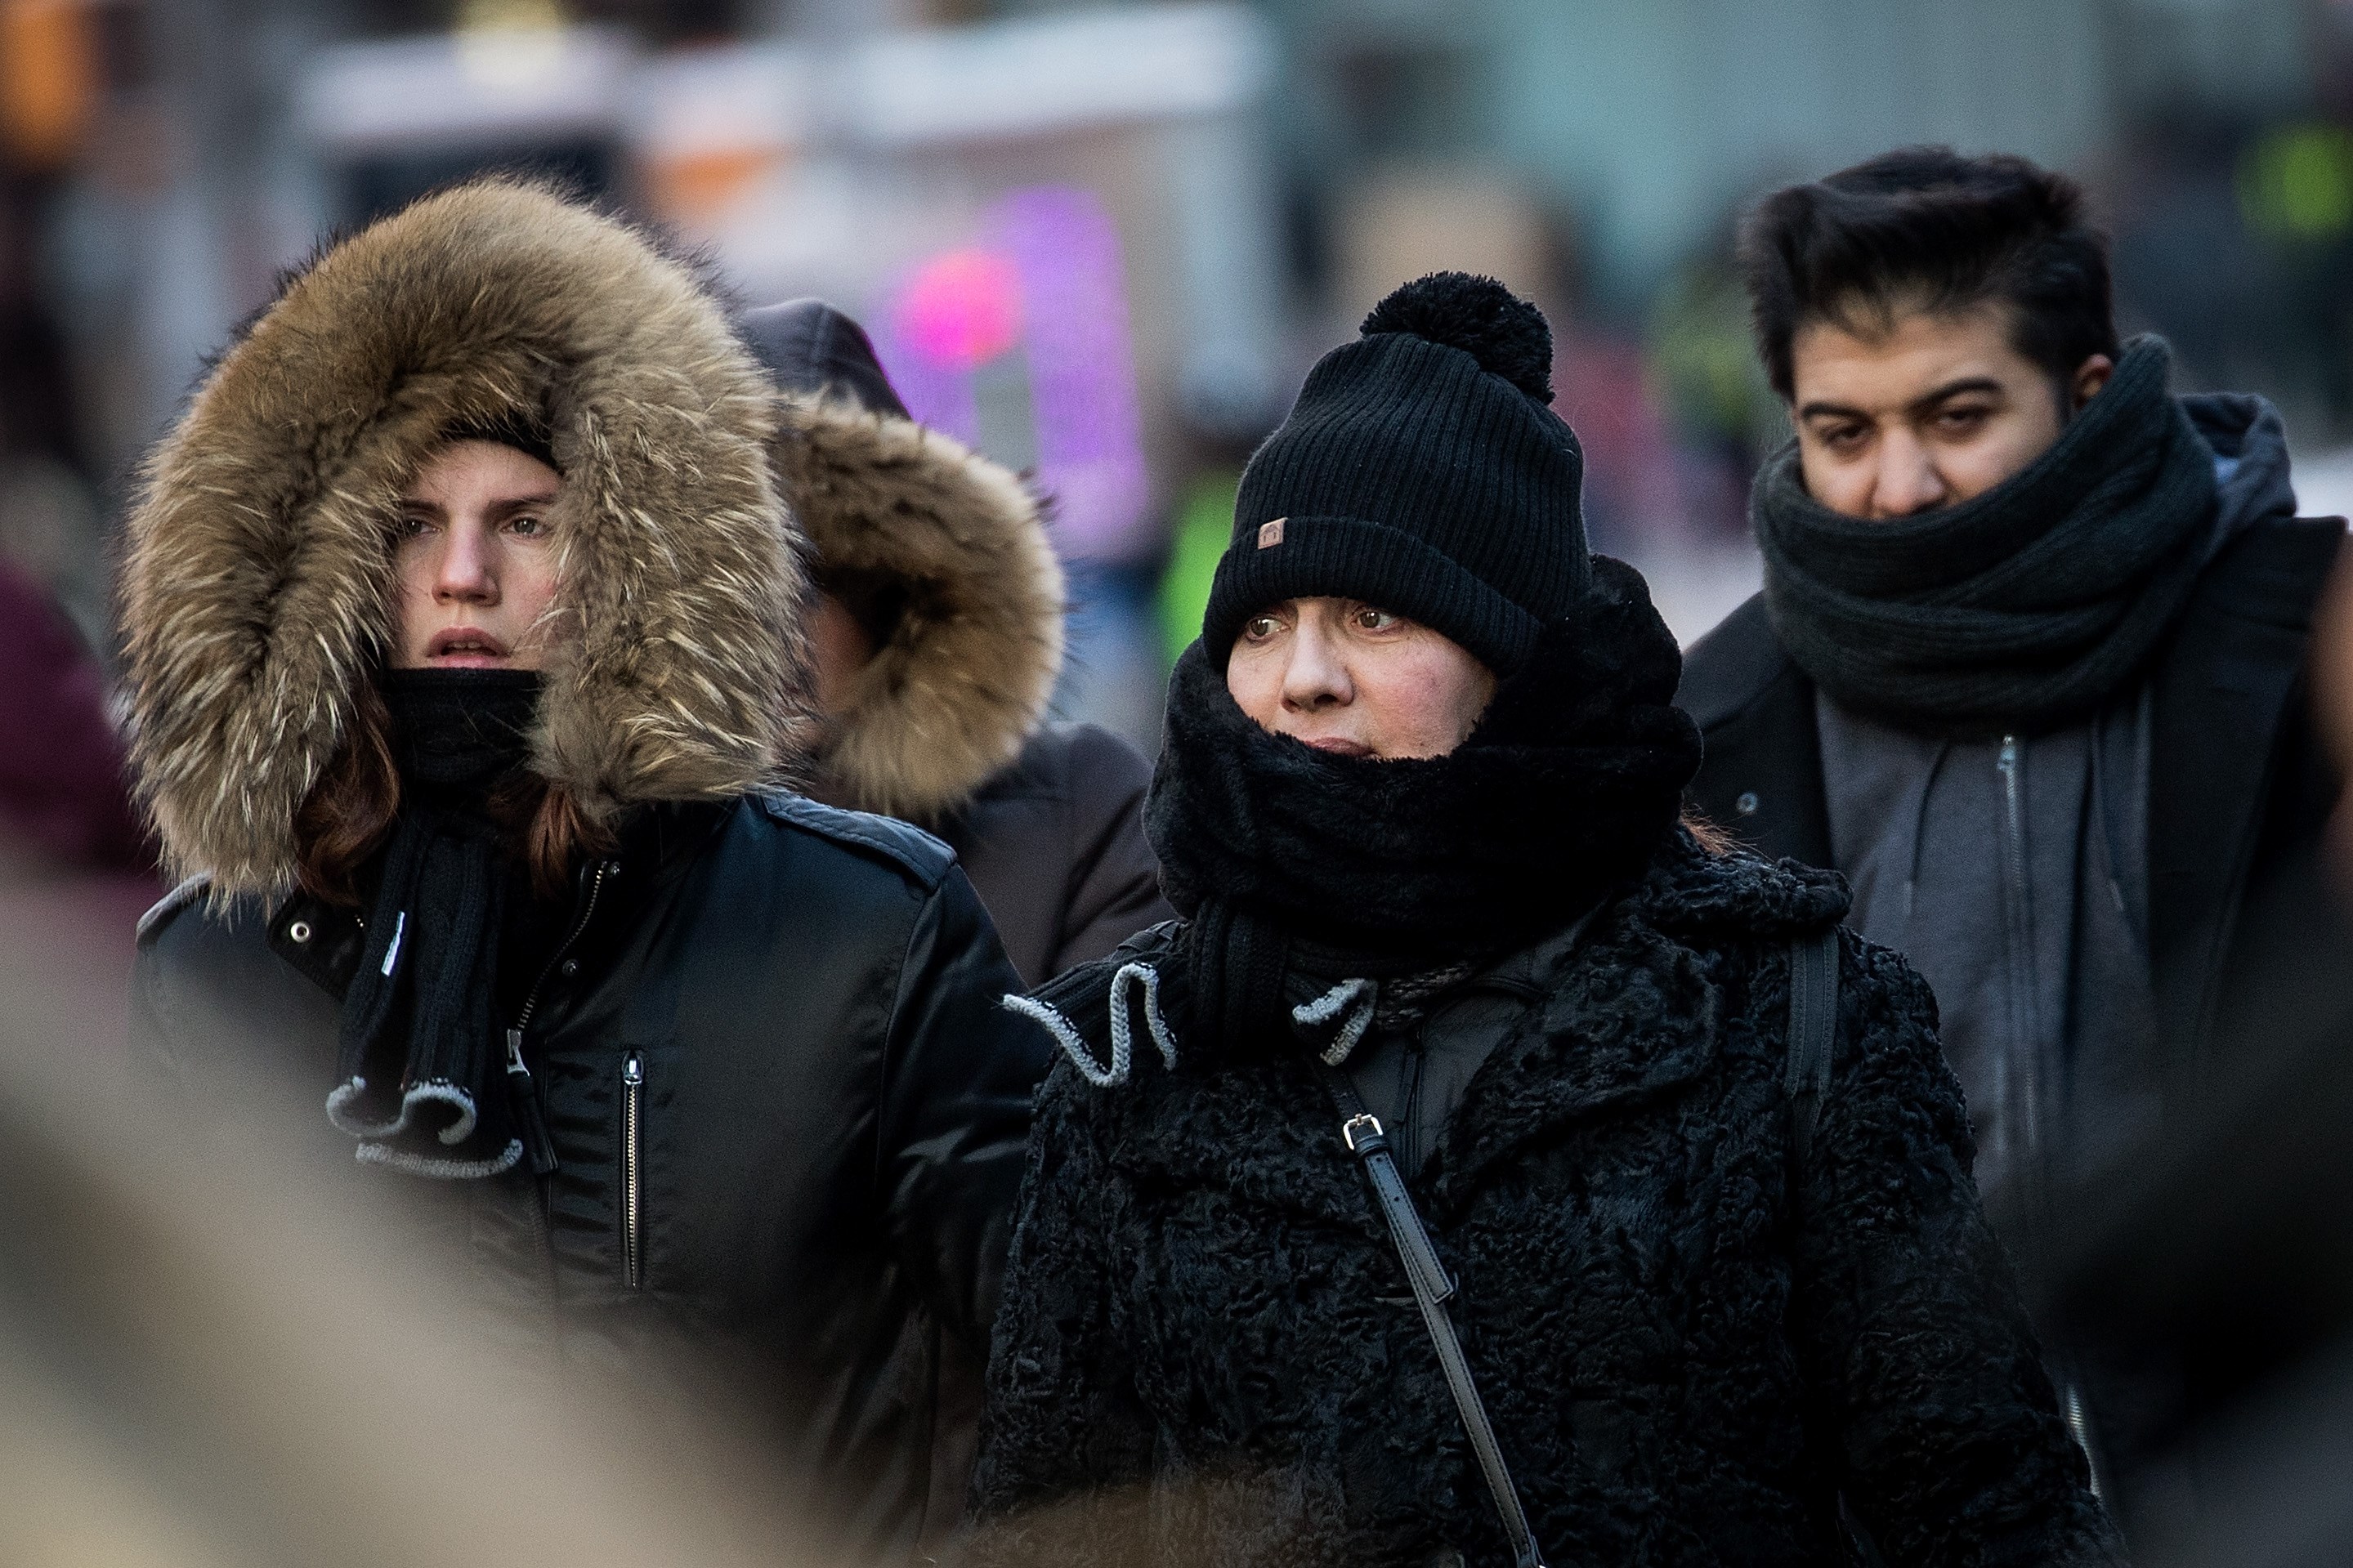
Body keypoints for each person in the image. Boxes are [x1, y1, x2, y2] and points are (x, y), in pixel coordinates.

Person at [968, 273, 2122, 1568]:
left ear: (1508, 658)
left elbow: (1983, 1504)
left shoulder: (1786, 1013)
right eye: (1263, 623)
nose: (1303, 675)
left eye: (1372, 613)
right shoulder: (1130, 1062)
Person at [121, 180, 1045, 1561]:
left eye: (528, 519)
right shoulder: (212, 971)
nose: (462, 575)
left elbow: (1039, 1386)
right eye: (405, 523)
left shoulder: (867, 930)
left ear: (636, 545)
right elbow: (171, 1440)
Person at [1677, 146, 2346, 1508]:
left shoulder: (2304, 647)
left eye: (1957, 411)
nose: (1897, 482)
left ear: (2082, 393)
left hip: (2275, 1455)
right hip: (1908, 1503)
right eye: (1841, 430)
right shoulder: (1710, 734)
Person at [738, 299, 1170, 986]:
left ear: (899, 597)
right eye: (719, 581)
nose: (767, 628)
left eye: (812, 579)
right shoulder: (581, 852)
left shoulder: (1081, 814)